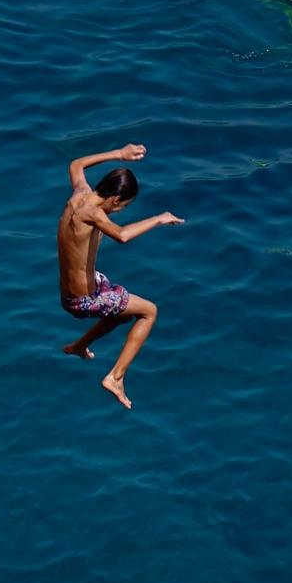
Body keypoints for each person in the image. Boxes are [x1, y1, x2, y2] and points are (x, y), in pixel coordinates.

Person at [58, 143, 184, 409]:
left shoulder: (79, 195)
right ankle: (116, 377)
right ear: (115, 199)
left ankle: (79, 347)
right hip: (85, 299)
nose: (121, 209)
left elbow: (76, 165)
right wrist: (159, 219)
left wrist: (119, 154)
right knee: (149, 311)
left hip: (73, 293)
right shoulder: (92, 213)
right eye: (124, 205)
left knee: (122, 311)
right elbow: (123, 235)